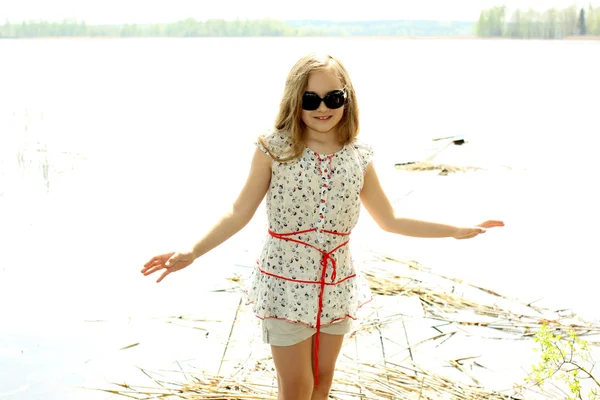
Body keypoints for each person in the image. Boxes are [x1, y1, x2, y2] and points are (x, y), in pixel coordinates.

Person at [141, 53, 504, 400]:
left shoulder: (358, 155)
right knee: (296, 387)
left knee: (321, 383)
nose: (323, 109)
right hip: (284, 281)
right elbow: (239, 211)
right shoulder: (274, 148)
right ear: (294, 101)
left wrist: (456, 229)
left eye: (333, 97)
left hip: (336, 282)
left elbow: (390, 220)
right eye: (310, 99)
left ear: (347, 98)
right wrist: (192, 251)